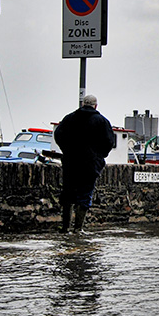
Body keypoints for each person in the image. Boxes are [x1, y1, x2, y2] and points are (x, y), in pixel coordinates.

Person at [54, 95, 116, 233]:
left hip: (71, 162)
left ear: (82, 104)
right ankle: (78, 228)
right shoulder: (102, 121)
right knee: (85, 194)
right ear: (96, 106)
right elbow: (109, 142)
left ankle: (65, 227)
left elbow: (58, 135)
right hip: (90, 164)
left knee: (68, 194)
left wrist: (66, 150)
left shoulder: (69, 118)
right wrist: (99, 156)